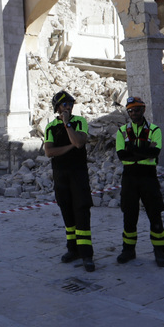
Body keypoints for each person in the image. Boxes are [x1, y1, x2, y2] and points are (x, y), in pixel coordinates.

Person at [43, 89, 95, 272]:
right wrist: (69, 147)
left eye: (71, 104)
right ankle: (72, 250)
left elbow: (79, 142)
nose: (68, 107)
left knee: (82, 211)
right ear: (57, 107)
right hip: (60, 175)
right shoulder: (50, 127)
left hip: (78, 174)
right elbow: (49, 152)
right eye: (65, 104)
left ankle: (86, 254)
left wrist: (67, 125)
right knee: (67, 212)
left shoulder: (79, 122)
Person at [114, 96, 164, 267]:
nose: (134, 113)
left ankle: (159, 252)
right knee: (129, 215)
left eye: (137, 109)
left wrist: (133, 149)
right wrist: (144, 150)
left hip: (148, 176)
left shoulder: (154, 130)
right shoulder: (122, 131)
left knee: (155, 214)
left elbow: (155, 153)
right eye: (130, 110)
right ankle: (128, 250)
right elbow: (122, 155)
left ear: (144, 110)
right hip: (129, 177)